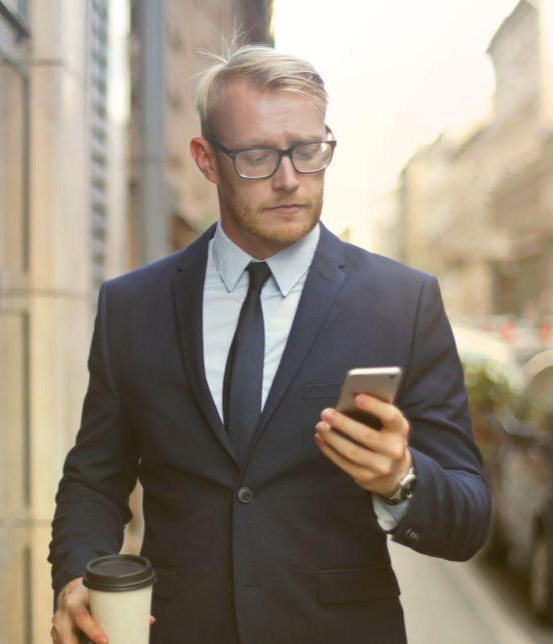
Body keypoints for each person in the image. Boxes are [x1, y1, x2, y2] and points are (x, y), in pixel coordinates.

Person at [47, 44, 490, 644]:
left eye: (309, 152)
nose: (289, 179)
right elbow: (94, 481)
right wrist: (78, 576)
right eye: (257, 156)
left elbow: (469, 519)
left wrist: (402, 479)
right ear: (206, 159)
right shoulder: (133, 305)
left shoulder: (403, 302)